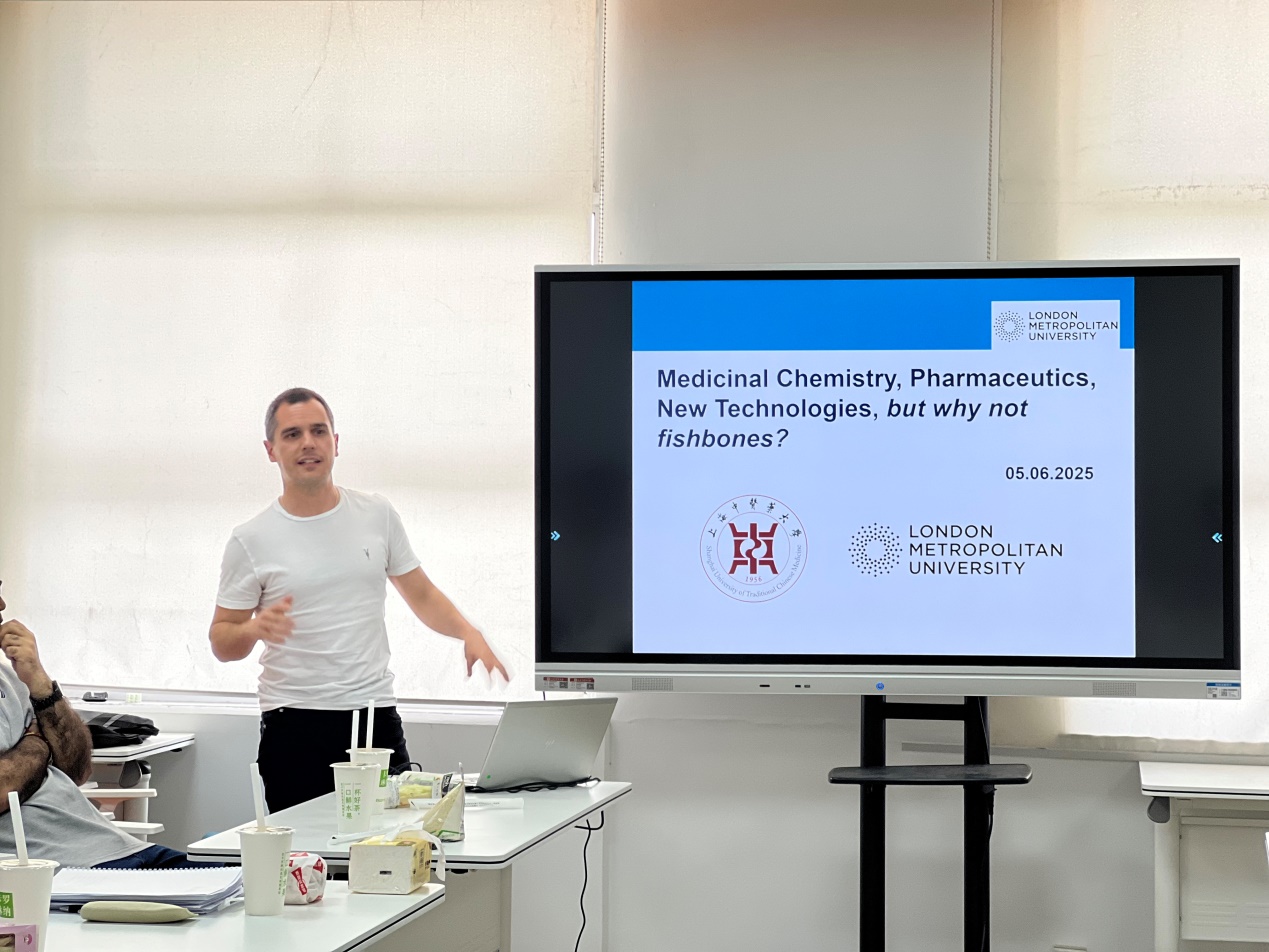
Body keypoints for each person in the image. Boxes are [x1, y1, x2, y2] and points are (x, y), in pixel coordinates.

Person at [210, 387, 508, 812]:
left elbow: (421, 593)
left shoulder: (376, 514)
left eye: (319, 431)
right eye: (292, 434)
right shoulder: (251, 538)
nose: (308, 443)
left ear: (336, 442)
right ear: (271, 450)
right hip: (294, 721)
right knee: (307, 850)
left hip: (374, 717)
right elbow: (222, 641)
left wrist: (468, 632)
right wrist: (255, 629)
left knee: (397, 844)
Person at [0, 584, 210, 868]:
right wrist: (37, 744)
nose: (2, 604)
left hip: (117, 847)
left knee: (251, 881)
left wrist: (40, 681)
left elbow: (75, 770)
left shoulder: (12, 678)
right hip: (51, 867)